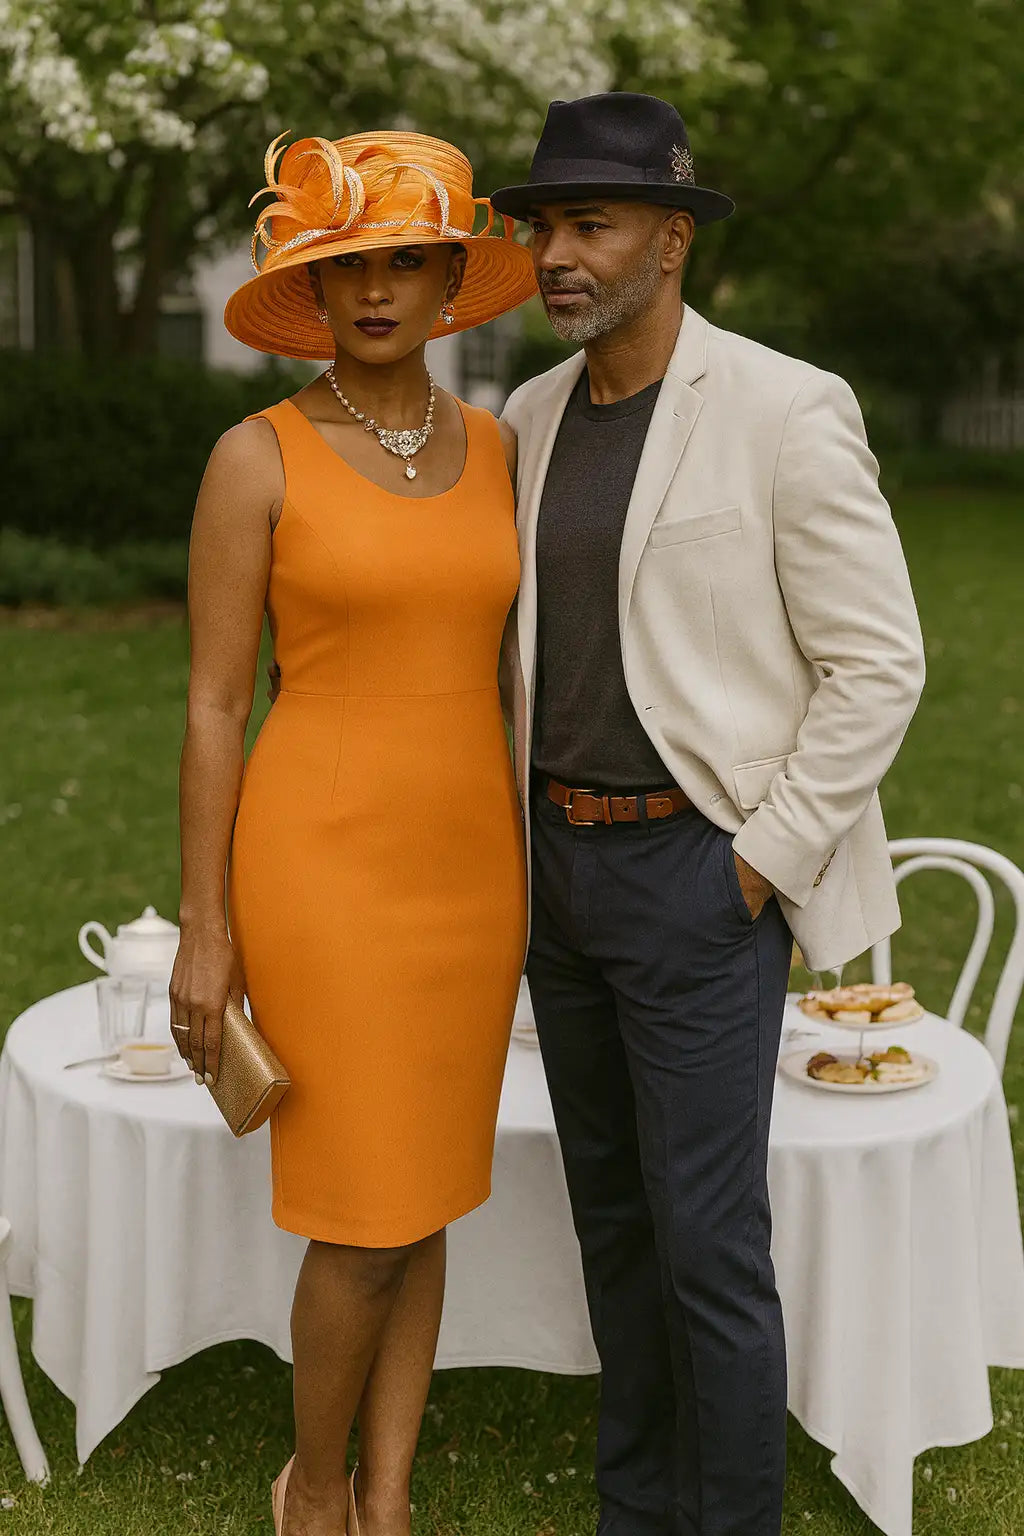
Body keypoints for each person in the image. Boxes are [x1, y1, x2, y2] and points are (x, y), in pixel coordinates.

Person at [489, 92, 926, 1536]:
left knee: (709, 1251)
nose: (556, 252)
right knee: (613, 1232)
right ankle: (638, 1512)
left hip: (698, 874)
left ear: (670, 240)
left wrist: (758, 865)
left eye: (589, 224)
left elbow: (880, 665)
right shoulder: (529, 416)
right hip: (560, 876)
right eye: (546, 224)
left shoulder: (788, 409)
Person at [168, 130, 534, 1536]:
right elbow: (211, 708)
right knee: (363, 1212)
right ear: (310, 292)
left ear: (450, 279)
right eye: (344, 267)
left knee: (422, 1187)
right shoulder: (251, 459)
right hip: (321, 870)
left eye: (402, 262)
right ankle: (310, 1486)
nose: (374, 291)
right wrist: (208, 928)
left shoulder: (502, 448)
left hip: (472, 876)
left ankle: (387, 1493)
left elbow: (512, 677)